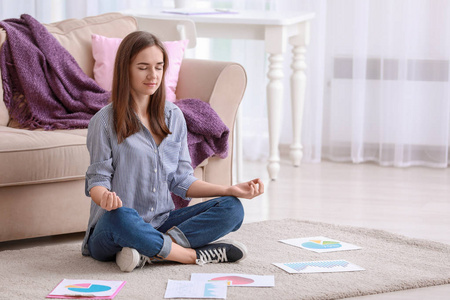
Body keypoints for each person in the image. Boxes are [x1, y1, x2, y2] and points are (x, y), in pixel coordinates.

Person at [81, 31, 264, 272]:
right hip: (113, 228)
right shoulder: (103, 122)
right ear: (125, 69)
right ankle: (189, 256)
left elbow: (181, 180)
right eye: (143, 67)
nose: (153, 75)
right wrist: (103, 196)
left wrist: (229, 189)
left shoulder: (174, 117)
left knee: (232, 208)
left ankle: (150, 252)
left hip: (161, 222)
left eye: (158, 67)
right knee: (121, 217)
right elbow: (97, 179)